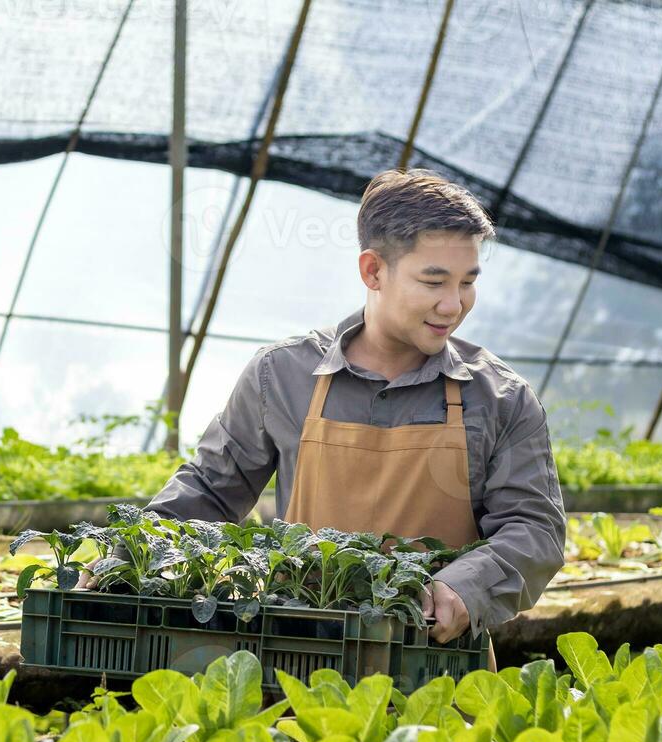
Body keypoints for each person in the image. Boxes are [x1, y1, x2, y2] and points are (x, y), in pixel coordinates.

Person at [119, 169, 566, 666]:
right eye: (433, 281)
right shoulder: (283, 376)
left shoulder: (500, 397)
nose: (453, 304)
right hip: (295, 662)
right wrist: (128, 555)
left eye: (467, 283)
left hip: (436, 667)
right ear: (373, 271)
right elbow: (208, 490)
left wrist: (463, 589)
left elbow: (535, 528)